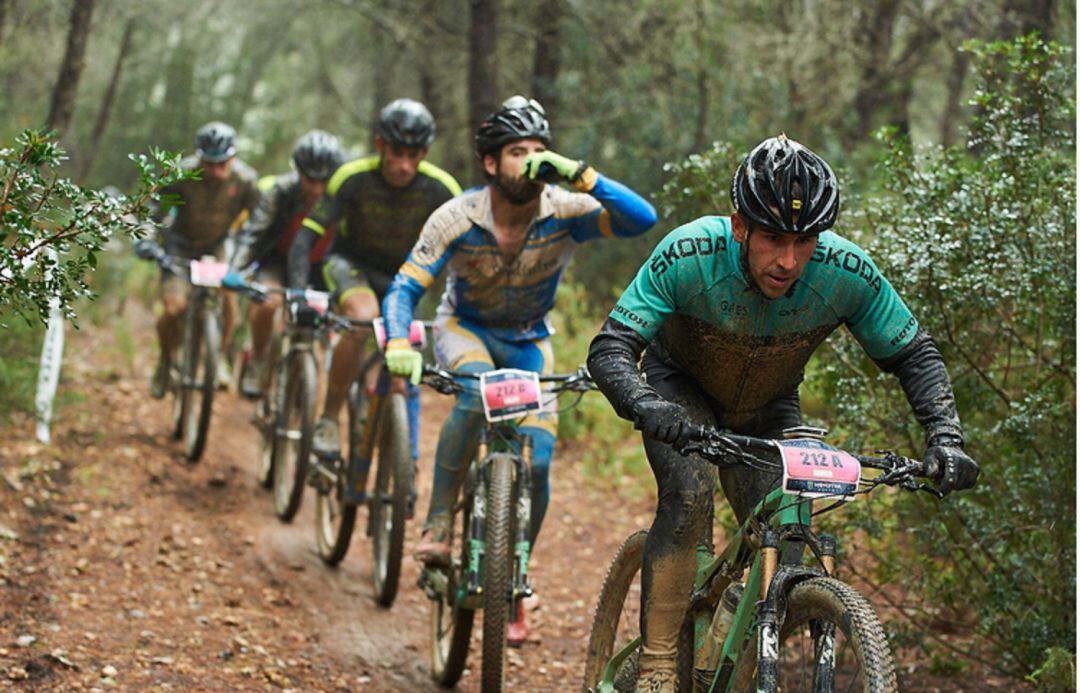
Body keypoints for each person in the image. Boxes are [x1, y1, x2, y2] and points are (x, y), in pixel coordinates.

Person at [585, 134, 980, 691]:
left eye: (805, 240)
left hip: (770, 407)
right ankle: (655, 665)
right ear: (740, 226)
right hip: (681, 391)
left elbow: (913, 354)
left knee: (787, 530)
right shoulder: (688, 252)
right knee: (689, 495)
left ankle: (732, 650)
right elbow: (611, 348)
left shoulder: (847, 272)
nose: (789, 260)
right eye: (772, 238)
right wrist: (646, 403)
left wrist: (946, 435)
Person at [381, 95, 658, 643]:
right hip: (465, 330)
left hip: (530, 340)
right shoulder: (457, 216)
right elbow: (405, 286)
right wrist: (396, 340)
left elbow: (640, 220)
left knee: (538, 461)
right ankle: (438, 525)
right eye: (517, 152)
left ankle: (514, 577)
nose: (531, 162)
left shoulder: (564, 209)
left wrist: (581, 176)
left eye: (539, 151)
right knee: (473, 395)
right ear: (490, 163)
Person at [287, 99, 461, 462]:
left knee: (401, 371)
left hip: (408, 279)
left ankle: (395, 465)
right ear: (381, 146)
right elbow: (305, 238)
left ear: (425, 153)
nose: (403, 165)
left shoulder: (443, 190)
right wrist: (301, 293)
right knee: (361, 318)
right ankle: (330, 418)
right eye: (396, 152)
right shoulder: (351, 179)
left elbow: (466, 254)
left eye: (413, 155)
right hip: (352, 265)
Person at [227, 129, 345, 398]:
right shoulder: (281, 191)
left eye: (323, 181)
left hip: (321, 267)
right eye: (308, 179)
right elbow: (255, 232)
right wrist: (236, 269)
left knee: (328, 324)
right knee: (268, 303)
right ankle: (258, 360)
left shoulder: (343, 197)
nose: (316, 188)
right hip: (277, 259)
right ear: (297, 171)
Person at [150, 121, 260, 399]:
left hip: (218, 245)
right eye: (209, 164)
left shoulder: (246, 181)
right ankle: (165, 361)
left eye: (222, 163)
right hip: (180, 246)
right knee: (174, 309)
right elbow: (153, 210)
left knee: (228, 297)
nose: (215, 171)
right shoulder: (181, 175)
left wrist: (249, 254)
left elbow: (259, 222)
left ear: (233, 158)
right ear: (199, 157)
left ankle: (218, 357)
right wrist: (148, 240)